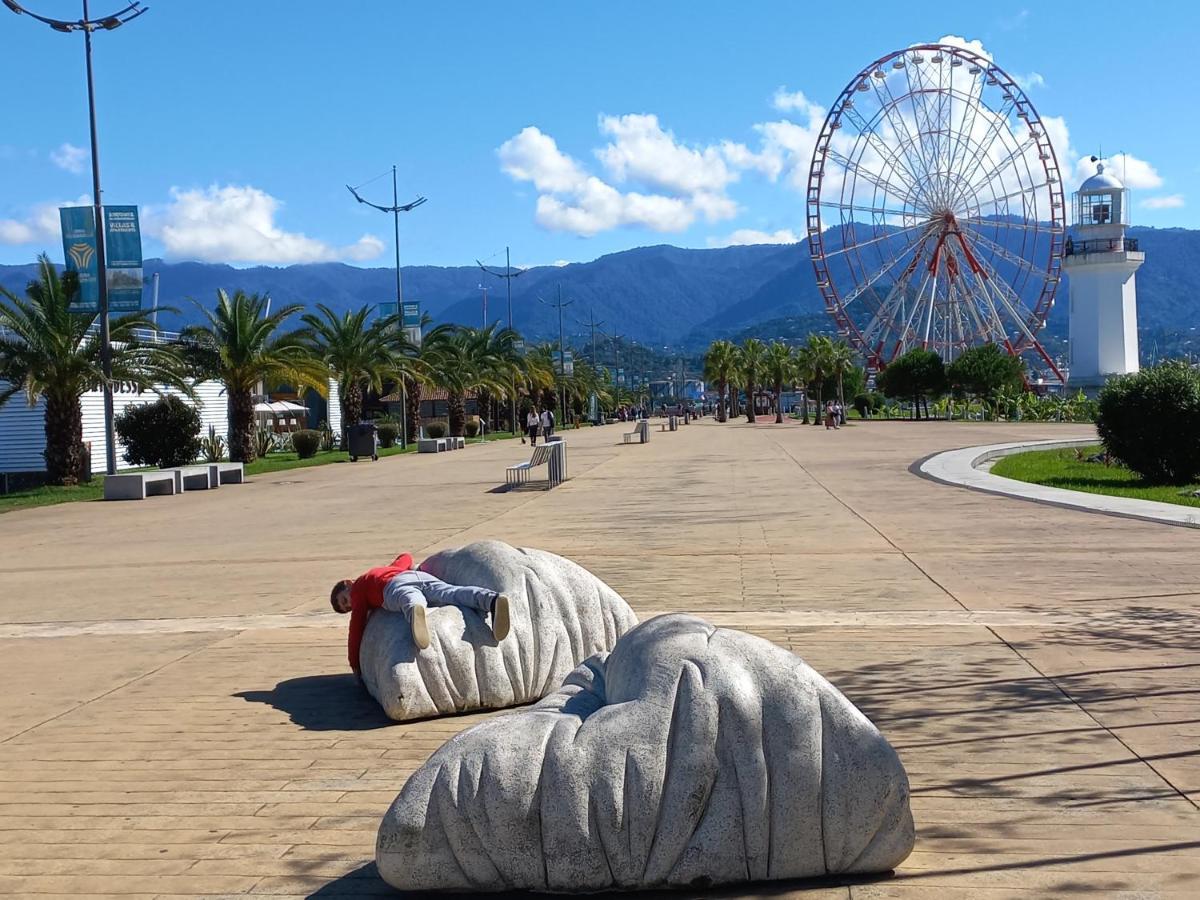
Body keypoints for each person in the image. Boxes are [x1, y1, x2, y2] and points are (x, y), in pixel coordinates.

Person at [330, 552, 511, 674]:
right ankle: (491, 600)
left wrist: (355, 665)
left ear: (348, 583)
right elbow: (406, 557)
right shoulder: (382, 570)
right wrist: (398, 564)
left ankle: (417, 612)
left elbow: (356, 628)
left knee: (408, 599)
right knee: (451, 593)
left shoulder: (358, 590)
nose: (351, 605)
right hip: (416, 576)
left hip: (391, 588)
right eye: (348, 608)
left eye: (345, 600)